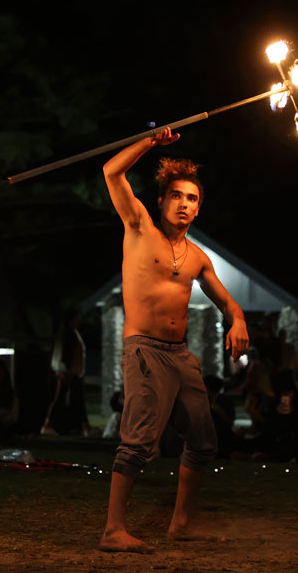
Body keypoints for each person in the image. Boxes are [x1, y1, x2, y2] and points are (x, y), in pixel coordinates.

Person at [98, 127, 249, 553]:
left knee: (204, 441)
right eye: (177, 196)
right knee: (139, 441)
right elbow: (111, 172)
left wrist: (237, 319)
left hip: (180, 356)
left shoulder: (198, 257)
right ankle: (113, 530)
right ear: (161, 200)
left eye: (192, 199)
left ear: (198, 210)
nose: (184, 204)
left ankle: (180, 525)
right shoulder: (139, 227)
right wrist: (150, 142)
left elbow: (227, 301)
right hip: (144, 349)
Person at [40, 308, 94, 436]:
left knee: (70, 399)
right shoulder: (69, 334)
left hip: (68, 372)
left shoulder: (66, 333)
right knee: (69, 399)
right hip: (69, 373)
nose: (79, 321)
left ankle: (80, 426)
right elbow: (67, 354)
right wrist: (68, 371)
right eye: (77, 318)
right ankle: (83, 426)